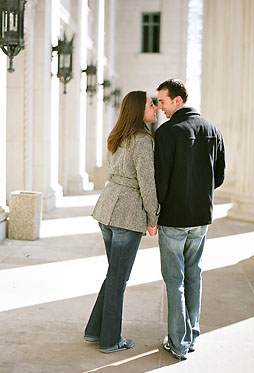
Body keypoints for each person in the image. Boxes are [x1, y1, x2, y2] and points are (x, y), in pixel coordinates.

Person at [153, 78, 225, 360]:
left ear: (177, 100)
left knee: (175, 279)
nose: (160, 107)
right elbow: (218, 176)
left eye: (162, 101)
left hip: (173, 217)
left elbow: (161, 181)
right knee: (194, 274)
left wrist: (155, 212)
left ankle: (178, 343)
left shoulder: (166, 132)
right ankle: (191, 334)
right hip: (201, 216)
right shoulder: (213, 130)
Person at [84, 91, 159, 353]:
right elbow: (147, 183)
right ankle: (110, 340)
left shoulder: (118, 136)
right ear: (139, 109)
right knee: (118, 278)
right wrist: (153, 217)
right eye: (151, 104)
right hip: (127, 214)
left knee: (113, 275)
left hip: (107, 209)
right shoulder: (142, 140)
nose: (156, 107)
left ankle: (94, 331)